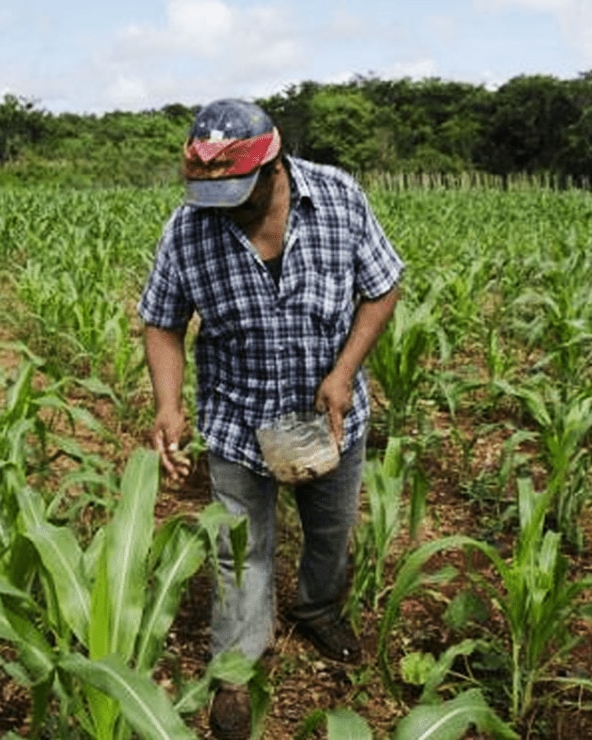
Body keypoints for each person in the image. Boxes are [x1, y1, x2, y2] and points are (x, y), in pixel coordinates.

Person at [136, 98, 403, 739]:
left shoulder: (339, 198)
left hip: (326, 416)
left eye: (236, 193)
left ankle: (317, 610)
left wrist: (344, 373)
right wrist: (169, 405)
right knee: (241, 551)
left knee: (330, 532)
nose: (223, 207)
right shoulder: (188, 230)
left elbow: (382, 286)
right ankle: (237, 665)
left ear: (274, 167)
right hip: (238, 419)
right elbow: (162, 321)